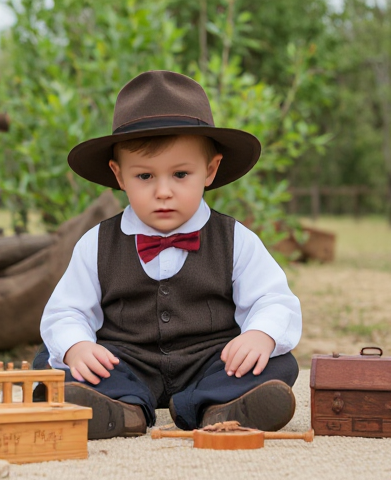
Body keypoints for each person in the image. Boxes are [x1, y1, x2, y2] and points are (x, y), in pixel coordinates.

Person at [34, 70, 301, 440]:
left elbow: (273, 299)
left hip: (211, 363)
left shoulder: (234, 238)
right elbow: (67, 310)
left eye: (179, 174)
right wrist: (78, 346)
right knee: (50, 359)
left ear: (209, 170)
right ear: (119, 176)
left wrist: (260, 334)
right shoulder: (97, 243)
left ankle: (214, 407)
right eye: (144, 177)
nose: (163, 191)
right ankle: (122, 408)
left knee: (279, 362)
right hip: (124, 363)